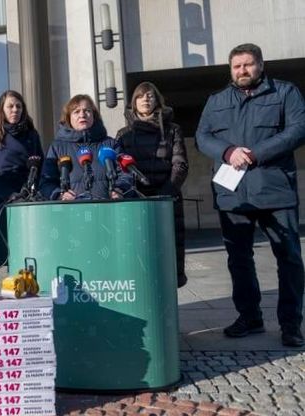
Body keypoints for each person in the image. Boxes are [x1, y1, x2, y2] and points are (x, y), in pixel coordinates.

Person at [196, 43, 305, 347]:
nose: (242, 71)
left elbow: (298, 129)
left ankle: (290, 323)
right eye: (236, 66)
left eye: (248, 64)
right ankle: (250, 317)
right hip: (233, 194)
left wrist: (255, 154)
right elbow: (202, 137)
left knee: (289, 259)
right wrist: (228, 151)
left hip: (275, 189)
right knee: (239, 259)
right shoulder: (216, 101)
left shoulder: (285, 93)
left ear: (260, 64)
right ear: (230, 69)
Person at [116, 82, 189, 288]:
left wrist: (167, 192)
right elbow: (120, 168)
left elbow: (180, 164)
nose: (146, 100)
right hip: (136, 200)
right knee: (138, 257)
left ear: (157, 100)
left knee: (167, 255)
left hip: (167, 198)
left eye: (150, 96)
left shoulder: (173, 130)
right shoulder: (123, 134)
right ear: (134, 103)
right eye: (140, 96)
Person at [0, 90, 43, 268]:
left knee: (30, 248)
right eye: (10, 106)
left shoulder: (32, 134)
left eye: (19, 106)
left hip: (27, 194)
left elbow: (41, 165)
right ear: (1, 109)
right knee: (3, 251)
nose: (15, 110)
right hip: (0, 197)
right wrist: (10, 194)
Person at [40, 94, 132, 201]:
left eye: (87, 110)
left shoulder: (110, 144)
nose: (82, 115)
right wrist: (59, 195)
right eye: (76, 112)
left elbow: (126, 174)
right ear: (68, 118)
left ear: (94, 115)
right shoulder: (57, 147)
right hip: (71, 211)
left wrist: (120, 189)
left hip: (107, 209)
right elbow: (46, 182)